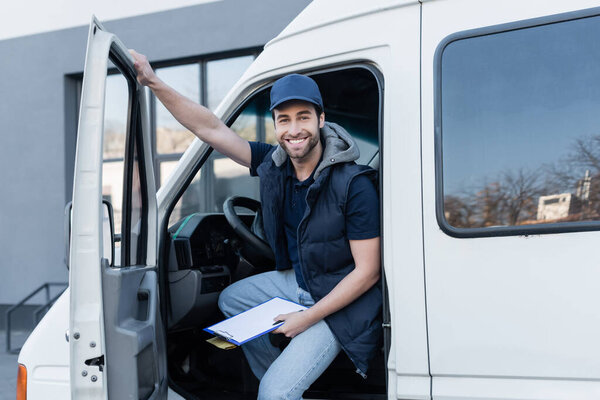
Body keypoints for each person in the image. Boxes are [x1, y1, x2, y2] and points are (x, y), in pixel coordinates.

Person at [130, 50, 382, 400]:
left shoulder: (354, 184)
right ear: (275, 124)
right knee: (233, 298)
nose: (294, 130)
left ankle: (277, 391)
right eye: (284, 120)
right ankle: (280, 382)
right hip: (305, 281)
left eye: (303, 118)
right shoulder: (275, 165)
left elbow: (368, 273)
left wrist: (307, 318)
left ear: (321, 119)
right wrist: (153, 81)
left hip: (341, 303)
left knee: (273, 393)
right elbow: (210, 128)